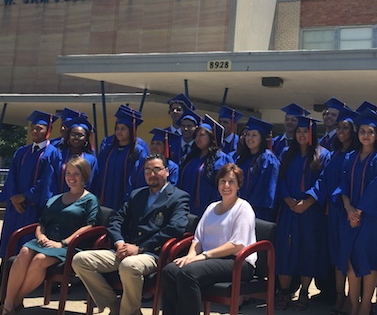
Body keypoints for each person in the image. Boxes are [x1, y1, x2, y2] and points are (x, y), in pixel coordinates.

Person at [72, 154, 189, 315]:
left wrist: (140, 248)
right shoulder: (137, 195)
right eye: (147, 170)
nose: (152, 174)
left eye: (157, 169)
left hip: (153, 252)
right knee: (80, 260)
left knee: (129, 266)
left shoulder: (178, 197)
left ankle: (128, 312)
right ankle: (114, 304)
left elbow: (175, 228)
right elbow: (116, 220)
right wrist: (119, 242)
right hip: (124, 249)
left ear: (167, 171)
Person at [0, 157, 99, 315]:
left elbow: (90, 225)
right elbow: (41, 223)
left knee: (39, 259)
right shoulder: (56, 199)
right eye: (68, 173)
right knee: (24, 252)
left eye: (76, 173)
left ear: (84, 176)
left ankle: (12, 303)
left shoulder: (89, 199)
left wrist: (62, 243)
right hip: (45, 241)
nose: (71, 177)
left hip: (69, 246)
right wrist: (41, 236)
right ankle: (10, 303)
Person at [161, 163, 257, 315]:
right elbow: (198, 239)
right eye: (222, 181)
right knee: (170, 271)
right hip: (209, 260)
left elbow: (237, 245)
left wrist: (203, 256)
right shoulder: (212, 207)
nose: (226, 185)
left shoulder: (243, 208)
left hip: (237, 262)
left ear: (238, 185)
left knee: (188, 273)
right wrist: (191, 255)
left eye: (231, 182)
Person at [0, 110, 62, 287]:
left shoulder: (52, 153)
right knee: (8, 238)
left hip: (33, 206)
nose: (35, 132)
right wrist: (14, 197)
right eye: (33, 128)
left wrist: (26, 196)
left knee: (28, 241)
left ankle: (25, 276)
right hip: (16, 206)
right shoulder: (21, 152)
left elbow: (47, 182)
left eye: (39, 128)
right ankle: (3, 273)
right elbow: (11, 175)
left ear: (48, 130)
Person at [334, 108, 377, 315]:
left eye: (370, 131)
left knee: (369, 261)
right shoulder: (350, 157)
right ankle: (353, 305)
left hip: (370, 218)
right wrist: (348, 208)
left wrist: (359, 211)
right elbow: (343, 185)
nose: (365, 135)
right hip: (349, 216)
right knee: (350, 262)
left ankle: (366, 304)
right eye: (362, 131)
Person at [275, 115, 331, 311]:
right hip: (289, 210)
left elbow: (323, 181)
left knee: (308, 250)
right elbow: (279, 180)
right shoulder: (286, 154)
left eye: (305, 131)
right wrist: (290, 201)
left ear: (312, 133)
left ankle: (305, 291)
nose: (301, 134)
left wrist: (309, 201)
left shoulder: (323, 155)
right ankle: (284, 291)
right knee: (285, 249)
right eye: (299, 131)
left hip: (310, 212)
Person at [307, 107, 360, 314]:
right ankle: (339, 297)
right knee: (338, 256)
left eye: (345, 128)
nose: (341, 131)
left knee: (350, 257)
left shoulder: (356, 155)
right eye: (339, 128)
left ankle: (353, 299)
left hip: (349, 211)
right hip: (333, 211)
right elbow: (324, 180)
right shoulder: (333, 154)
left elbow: (347, 183)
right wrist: (311, 196)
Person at [93, 105, 148, 210]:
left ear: (131, 130)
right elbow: (99, 172)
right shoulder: (108, 147)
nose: (119, 131)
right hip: (106, 197)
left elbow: (138, 178)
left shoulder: (138, 151)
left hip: (124, 198)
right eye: (117, 128)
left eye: (123, 129)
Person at [179, 115, 233, 216]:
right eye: (196, 135)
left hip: (208, 211)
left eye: (202, 135)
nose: (198, 138)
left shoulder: (220, 159)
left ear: (210, 137)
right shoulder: (189, 158)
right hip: (185, 209)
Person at [234, 117, 280, 222]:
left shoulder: (268, 158)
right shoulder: (242, 158)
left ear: (261, 138)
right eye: (248, 134)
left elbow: (267, 189)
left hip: (259, 211)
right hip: (239, 207)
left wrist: (248, 205)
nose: (250, 138)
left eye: (254, 135)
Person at [57, 116, 98, 194]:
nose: (76, 138)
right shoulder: (58, 155)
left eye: (80, 135)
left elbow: (92, 184)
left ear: (86, 138)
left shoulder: (91, 160)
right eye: (73, 134)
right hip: (58, 200)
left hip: (81, 201)